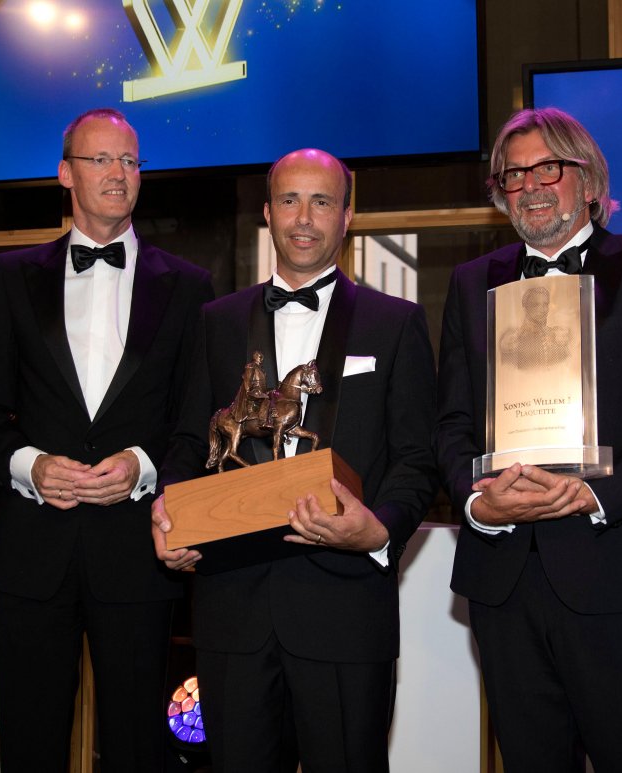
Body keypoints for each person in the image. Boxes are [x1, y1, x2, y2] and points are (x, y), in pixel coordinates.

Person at [152, 148, 438, 773]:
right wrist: (168, 509)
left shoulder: (397, 323)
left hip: (345, 607)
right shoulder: (216, 322)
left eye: (322, 201)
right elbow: (185, 442)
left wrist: (381, 529)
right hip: (233, 605)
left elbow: (417, 459)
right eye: (289, 200)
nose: (303, 217)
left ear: (347, 216)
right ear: (267, 212)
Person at [436, 108, 622, 772]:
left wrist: (596, 492)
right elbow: (452, 422)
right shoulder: (472, 284)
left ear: (587, 178)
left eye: (549, 166)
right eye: (514, 174)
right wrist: (477, 502)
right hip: (506, 579)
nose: (532, 185)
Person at [0, 108, 214, 771]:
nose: (118, 173)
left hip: (140, 548)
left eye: (130, 161)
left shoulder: (190, 286)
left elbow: (194, 418)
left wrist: (144, 466)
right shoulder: (10, 276)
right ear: (65, 173)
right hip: (34, 549)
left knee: (139, 746)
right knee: (30, 742)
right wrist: (29, 465)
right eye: (101, 159)